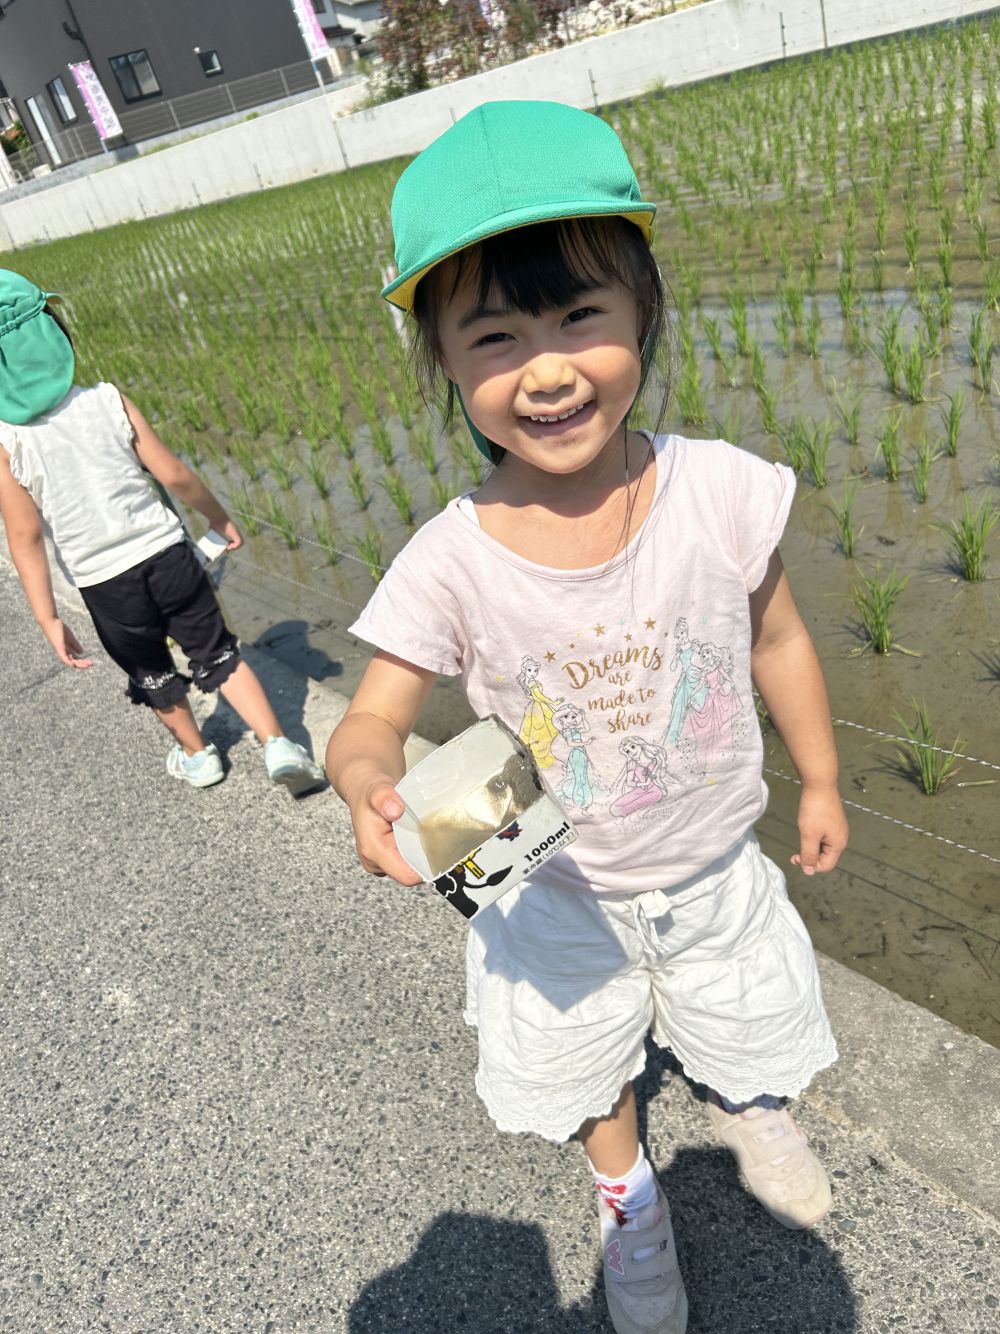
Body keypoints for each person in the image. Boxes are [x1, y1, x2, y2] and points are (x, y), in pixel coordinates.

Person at [325, 102, 848, 1334]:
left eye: (579, 316)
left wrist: (819, 779)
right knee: (587, 1057)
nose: (547, 367)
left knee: (739, 1002)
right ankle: (630, 1206)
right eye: (494, 334)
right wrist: (368, 780)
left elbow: (778, 639)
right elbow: (376, 712)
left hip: (713, 855)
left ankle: (748, 1101)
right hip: (548, 881)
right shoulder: (448, 560)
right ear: (444, 361)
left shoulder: (718, 488)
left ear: (642, 310)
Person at [0, 269, 324, 796]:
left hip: (105, 583)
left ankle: (199, 757)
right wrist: (218, 519)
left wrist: (47, 615)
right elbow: (173, 474)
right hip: (168, 555)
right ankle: (278, 744)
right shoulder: (107, 400)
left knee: (153, 670)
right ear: (55, 334)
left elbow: (24, 535)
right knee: (217, 652)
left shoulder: (8, 440)